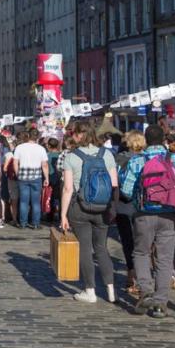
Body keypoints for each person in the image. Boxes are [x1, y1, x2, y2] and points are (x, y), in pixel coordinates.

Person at [119, 125, 175, 318]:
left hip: (144, 214)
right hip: (169, 215)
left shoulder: (137, 161)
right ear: (164, 139)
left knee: (141, 252)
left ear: (146, 140)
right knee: (165, 259)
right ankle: (160, 304)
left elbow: (125, 190)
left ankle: (145, 288)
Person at [59, 122, 118, 303]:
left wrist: (63, 214)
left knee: (84, 249)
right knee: (101, 248)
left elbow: (68, 188)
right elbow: (114, 184)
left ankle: (90, 291)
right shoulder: (106, 154)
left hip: (80, 208)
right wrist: (112, 208)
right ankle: (110, 289)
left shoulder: (71, 156)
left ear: (78, 135)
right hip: (102, 207)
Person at [115, 130, 143, 296]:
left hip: (125, 205)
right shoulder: (151, 158)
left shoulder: (121, 158)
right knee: (147, 241)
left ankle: (132, 275)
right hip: (146, 204)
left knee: (128, 242)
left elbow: (116, 182)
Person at [12, 130, 49, 229]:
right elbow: (44, 165)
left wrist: (18, 174)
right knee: (35, 202)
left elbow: (15, 163)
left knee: (23, 201)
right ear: (37, 137)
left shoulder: (19, 147)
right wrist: (47, 178)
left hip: (23, 177)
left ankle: (23, 223)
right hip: (36, 177)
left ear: (28, 135)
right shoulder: (41, 149)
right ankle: (35, 223)